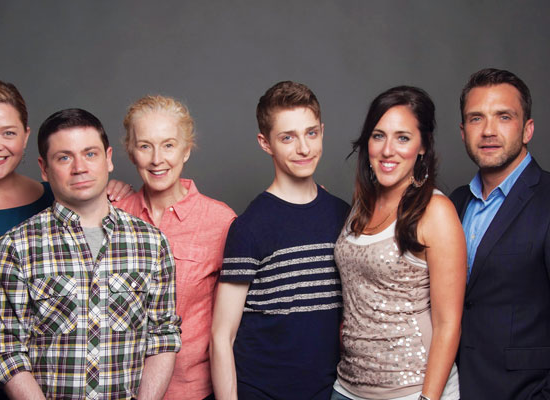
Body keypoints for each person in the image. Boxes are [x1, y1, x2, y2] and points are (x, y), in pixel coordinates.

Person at [0, 79, 131, 399]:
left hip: (53, 383)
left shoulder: (57, 196)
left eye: (8, 132)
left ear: (26, 137)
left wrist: (119, 192)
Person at [0, 108, 181, 399]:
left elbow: (163, 337)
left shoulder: (152, 244)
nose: (80, 167)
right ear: (43, 167)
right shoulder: (15, 247)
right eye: (64, 157)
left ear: (108, 158)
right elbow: (5, 350)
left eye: (90, 154)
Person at [210, 81, 350, 400]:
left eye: (311, 133)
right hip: (261, 390)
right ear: (266, 143)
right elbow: (221, 334)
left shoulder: (343, 214)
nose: (303, 148)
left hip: (329, 391)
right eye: (288, 137)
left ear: (322, 131)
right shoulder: (249, 227)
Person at [332, 86, 466, 400]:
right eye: (379, 136)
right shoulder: (361, 205)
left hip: (412, 391)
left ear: (423, 146)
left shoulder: (436, 212)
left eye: (403, 138)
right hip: (347, 387)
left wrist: (427, 399)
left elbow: (448, 324)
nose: (388, 150)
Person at [114, 95, 236, 400]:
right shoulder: (111, 217)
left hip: (191, 390)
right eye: (145, 146)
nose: (157, 159)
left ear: (186, 149)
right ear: (130, 152)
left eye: (168, 145)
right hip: (118, 389)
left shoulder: (220, 221)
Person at [450, 68, 550, 399]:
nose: (489, 131)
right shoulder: (455, 202)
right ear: (463, 132)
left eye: (504, 116)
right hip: (456, 386)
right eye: (476, 119)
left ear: (527, 129)